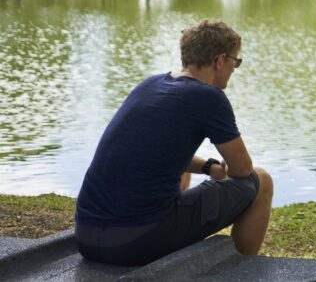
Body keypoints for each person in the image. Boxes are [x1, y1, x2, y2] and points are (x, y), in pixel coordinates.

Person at [74, 19, 273, 266]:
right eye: (235, 61)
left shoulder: (150, 85)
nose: (234, 68)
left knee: (180, 175)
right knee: (261, 180)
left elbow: (151, 153)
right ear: (219, 60)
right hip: (135, 242)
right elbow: (242, 171)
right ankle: (243, 272)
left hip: (86, 237)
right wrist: (229, 169)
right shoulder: (210, 97)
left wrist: (209, 167)